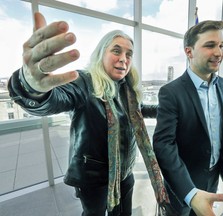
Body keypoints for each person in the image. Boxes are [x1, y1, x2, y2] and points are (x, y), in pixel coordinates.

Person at [8, 12, 170, 216]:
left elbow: (137, 110)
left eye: (128, 54)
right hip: (94, 178)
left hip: (125, 172)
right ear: (101, 53)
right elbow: (54, 99)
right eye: (116, 51)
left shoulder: (126, 88)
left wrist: (166, 109)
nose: (123, 59)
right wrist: (30, 87)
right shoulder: (84, 82)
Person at [152, 20, 223, 216]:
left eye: (221, 45)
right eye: (210, 45)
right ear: (189, 51)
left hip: (213, 175)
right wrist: (190, 194)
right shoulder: (171, 92)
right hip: (183, 181)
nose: (218, 52)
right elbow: (163, 145)